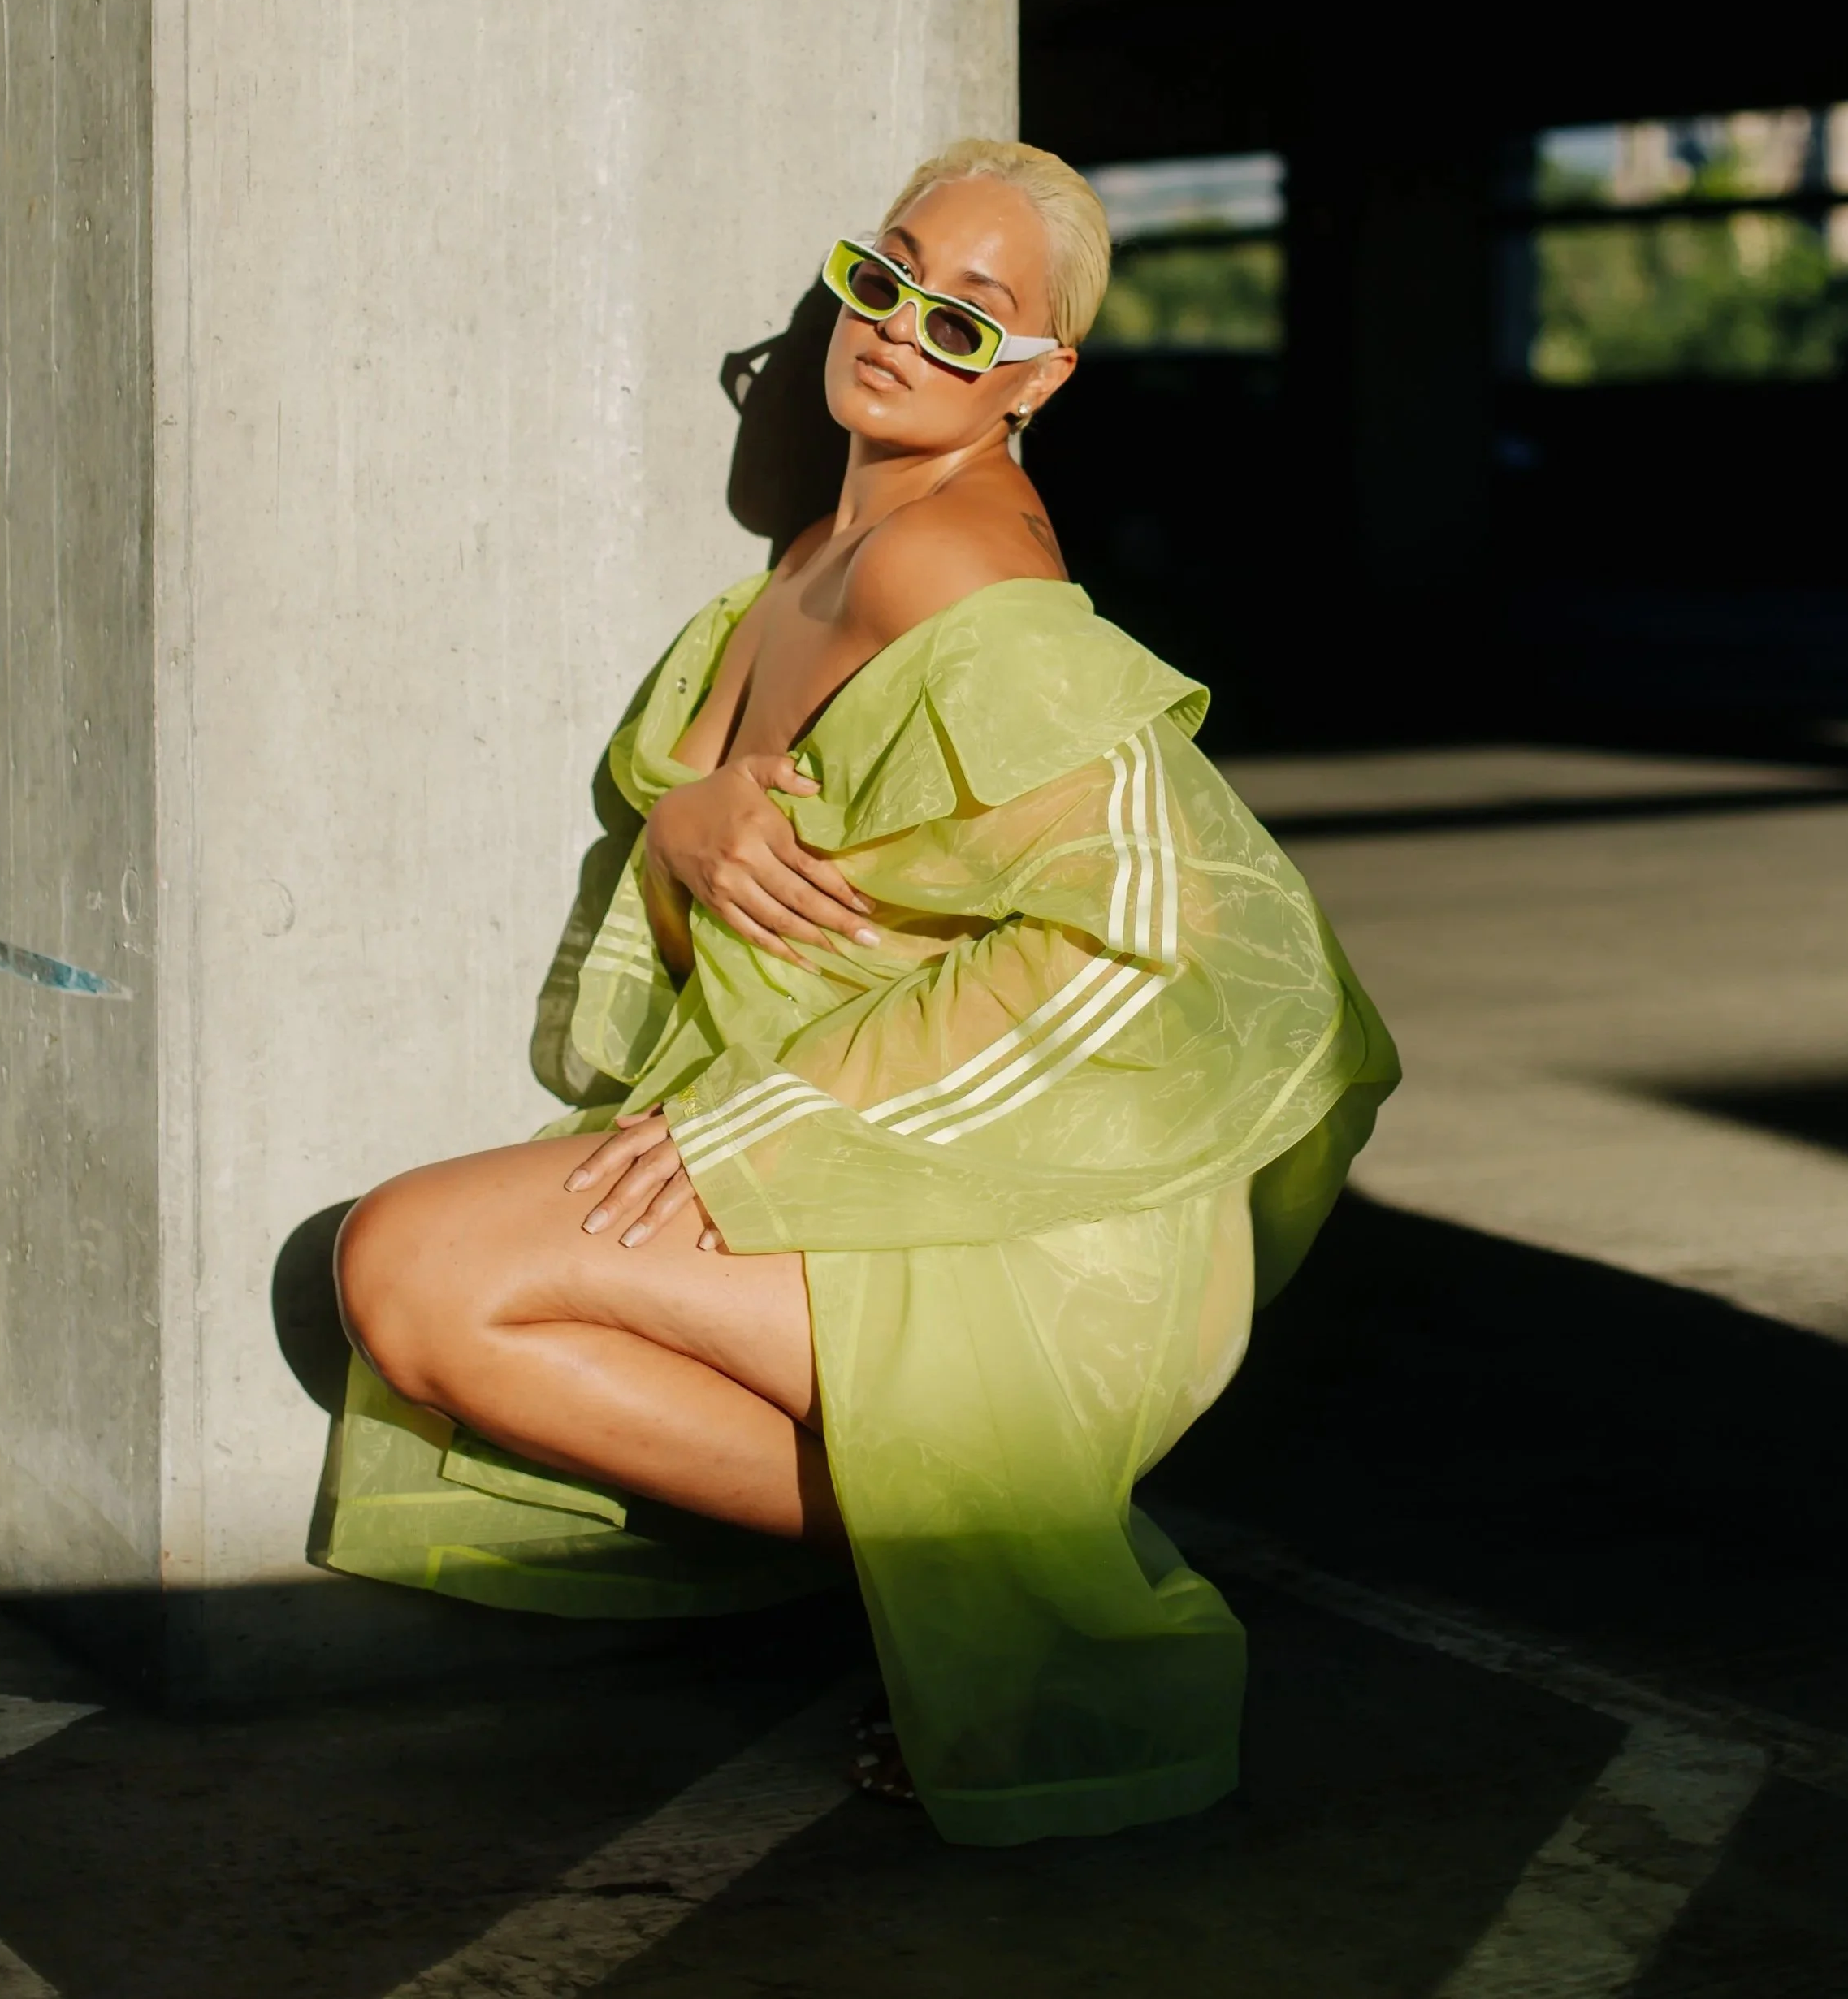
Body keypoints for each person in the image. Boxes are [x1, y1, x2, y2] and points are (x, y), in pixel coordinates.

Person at [328, 138, 1398, 1845]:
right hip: (877, 1159)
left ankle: (1051, 1585)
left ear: (1039, 374)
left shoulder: (967, 576)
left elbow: (1142, 930)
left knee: (414, 1267)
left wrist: (761, 1126)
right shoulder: (823, 542)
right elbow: (734, 815)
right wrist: (680, 818)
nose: (897, 330)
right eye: (881, 276)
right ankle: (987, 1561)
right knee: (415, 1281)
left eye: (967, 318)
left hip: (1001, 1202)